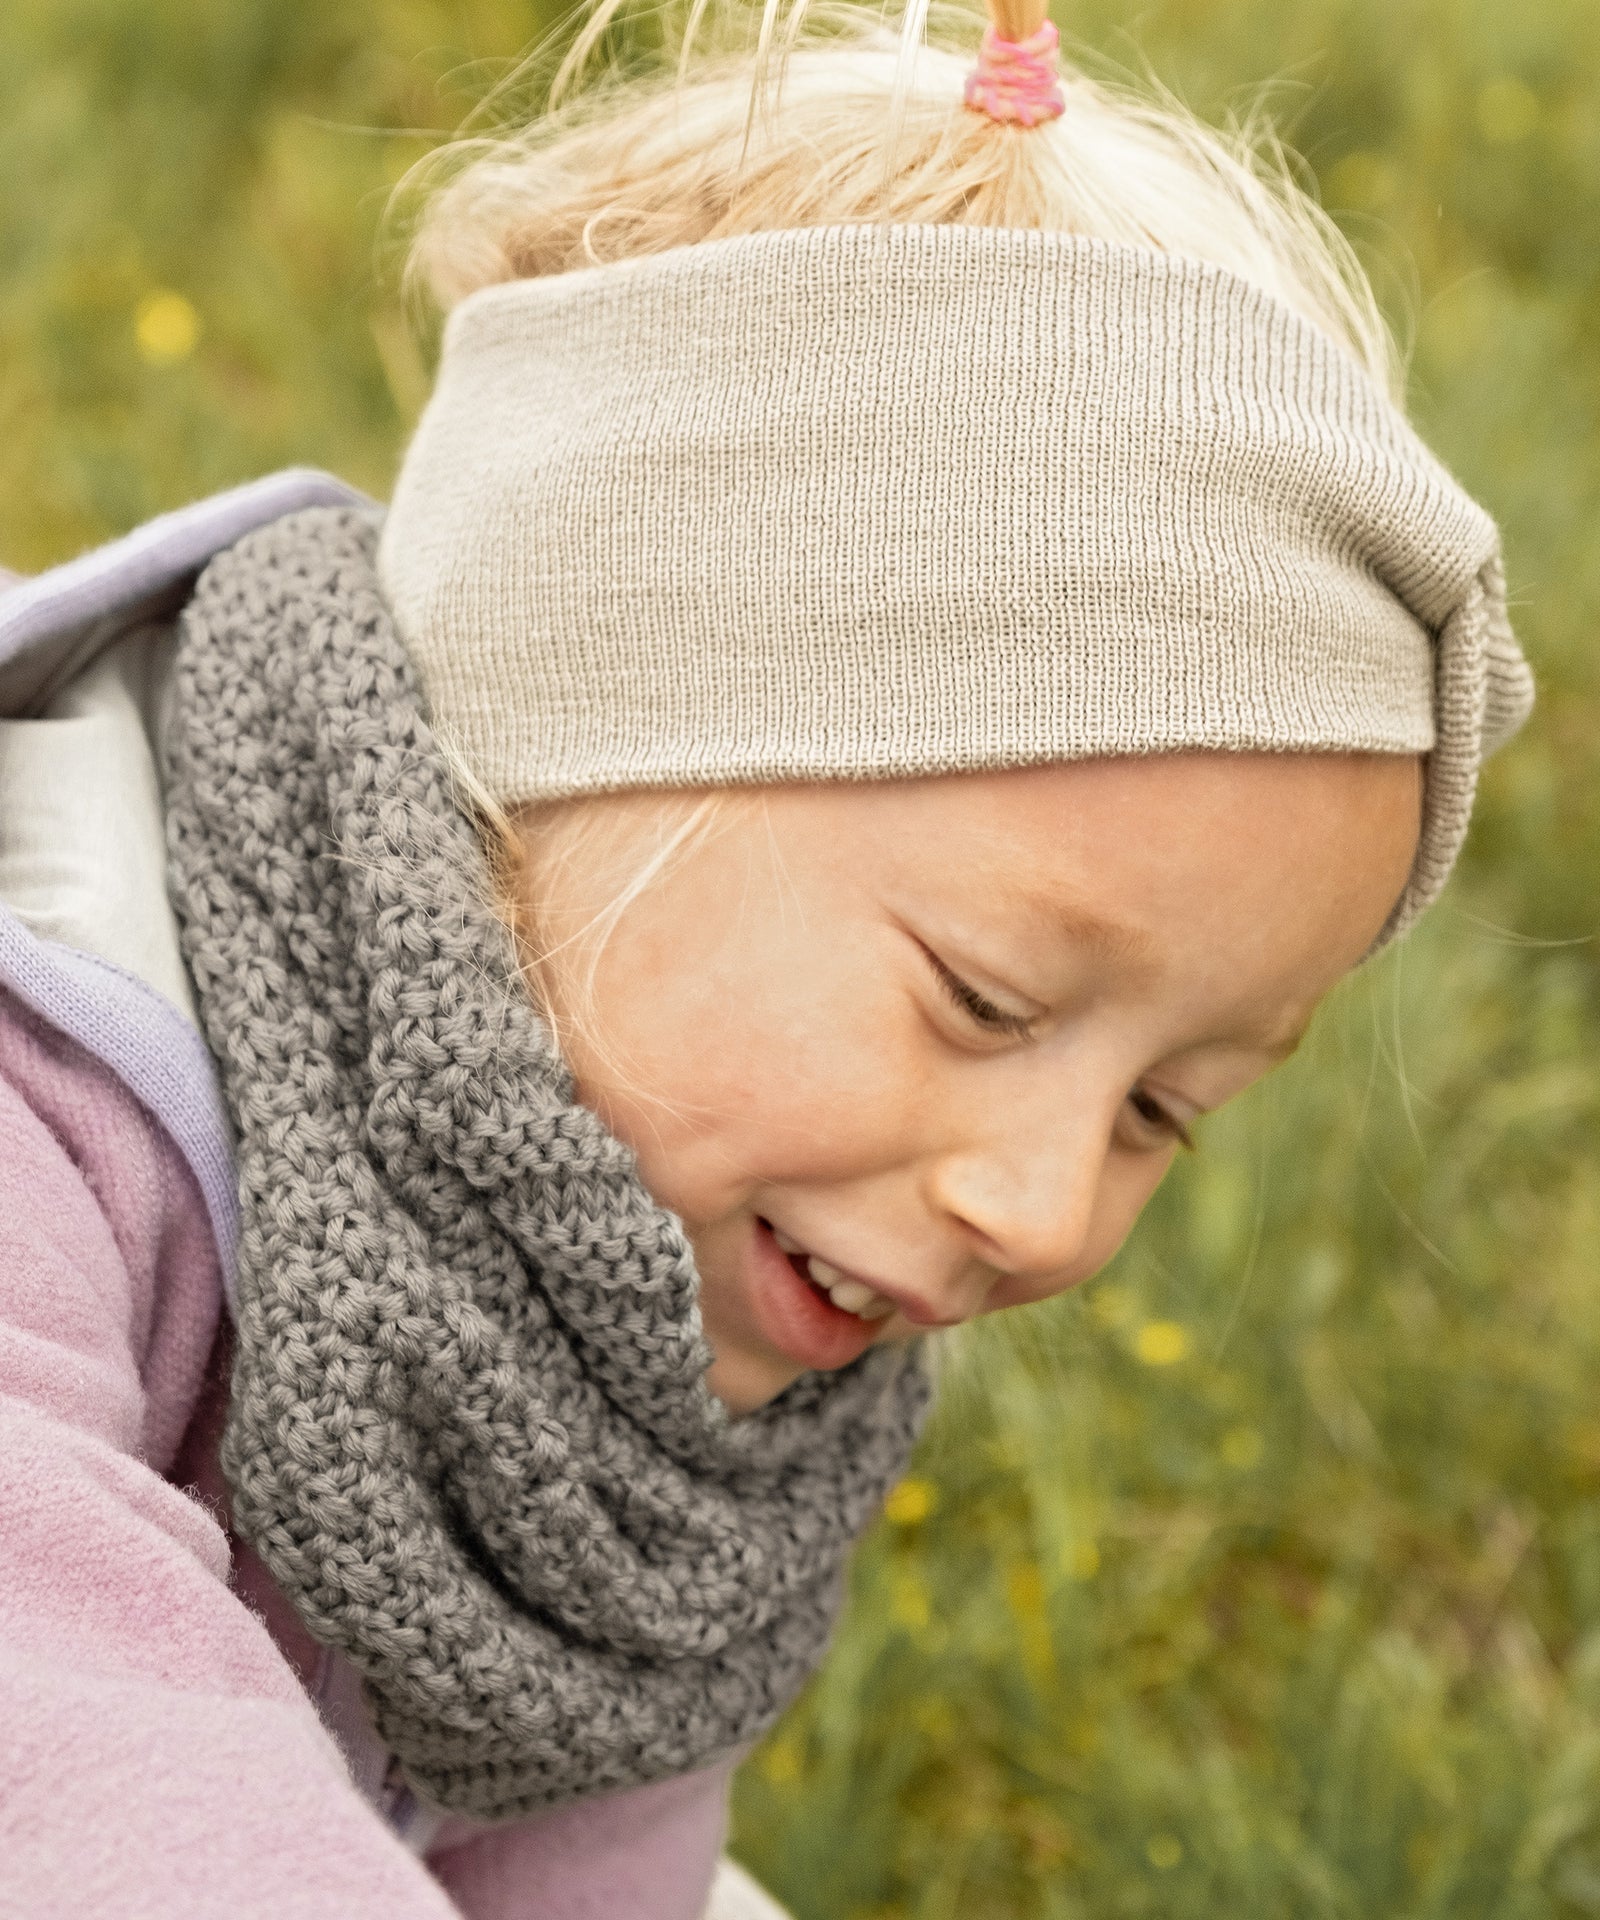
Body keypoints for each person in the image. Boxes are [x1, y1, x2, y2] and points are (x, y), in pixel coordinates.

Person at [0, 0, 1533, 1915]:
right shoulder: (51, 1073)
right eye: (984, 1000)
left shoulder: (663, 1337)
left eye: (1166, 1110)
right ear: (566, 747)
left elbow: (579, 1835)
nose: (1046, 1214)